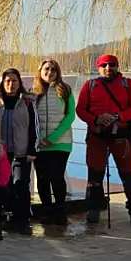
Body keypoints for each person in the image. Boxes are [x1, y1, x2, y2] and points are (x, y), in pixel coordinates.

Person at [76, 54, 131, 227]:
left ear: (117, 66)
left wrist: (118, 116)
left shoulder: (129, 85)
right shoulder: (89, 85)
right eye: (104, 65)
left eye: (112, 65)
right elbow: (80, 110)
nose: (108, 68)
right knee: (95, 174)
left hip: (122, 136)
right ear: (98, 68)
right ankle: (93, 208)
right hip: (97, 136)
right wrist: (96, 119)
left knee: (129, 175)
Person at [0, 68, 39, 235]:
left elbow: (34, 128)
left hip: (21, 152)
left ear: (19, 83)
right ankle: (6, 217)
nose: (11, 84)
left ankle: (22, 220)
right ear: (2, 82)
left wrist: (32, 150)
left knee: (21, 185)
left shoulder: (27, 103)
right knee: (3, 186)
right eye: (7, 80)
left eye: (14, 81)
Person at [32, 59, 76, 226]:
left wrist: (53, 138)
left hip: (61, 143)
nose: (49, 72)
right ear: (40, 71)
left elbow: (70, 116)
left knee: (57, 177)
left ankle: (60, 210)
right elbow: (30, 118)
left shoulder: (65, 91)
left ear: (58, 73)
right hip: (39, 144)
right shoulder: (33, 92)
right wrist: (39, 140)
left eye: (53, 70)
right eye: (46, 69)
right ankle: (47, 211)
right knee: (42, 179)